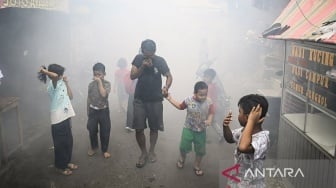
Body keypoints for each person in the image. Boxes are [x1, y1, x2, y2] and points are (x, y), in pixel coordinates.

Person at [130, 39, 173, 168]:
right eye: (146, 53)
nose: (149, 56)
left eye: (151, 53)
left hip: (155, 100)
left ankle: (152, 151)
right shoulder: (138, 59)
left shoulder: (160, 61)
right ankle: (143, 153)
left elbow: (169, 76)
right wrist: (143, 66)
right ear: (142, 51)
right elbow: (132, 76)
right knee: (139, 128)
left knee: (154, 128)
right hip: (140, 100)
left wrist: (166, 87)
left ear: (155, 51)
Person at [166, 81, 214, 176]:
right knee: (183, 147)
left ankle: (197, 165)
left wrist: (209, 120)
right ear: (194, 93)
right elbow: (180, 106)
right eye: (200, 95)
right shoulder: (188, 100)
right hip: (188, 128)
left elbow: (212, 112)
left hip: (201, 130)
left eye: (205, 94)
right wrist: (170, 99)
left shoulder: (209, 101)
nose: (203, 97)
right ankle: (182, 159)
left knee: (200, 150)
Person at [222, 94, 270, 187]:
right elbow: (230, 138)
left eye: (240, 112)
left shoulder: (262, 138)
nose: (238, 115)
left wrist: (251, 121)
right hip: (236, 181)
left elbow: (243, 147)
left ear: (248, 117)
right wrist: (225, 126)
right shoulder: (243, 130)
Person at [38, 64, 77, 176]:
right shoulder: (52, 84)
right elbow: (54, 76)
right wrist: (44, 71)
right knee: (60, 145)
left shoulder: (61, 82)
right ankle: (60, 166)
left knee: (68, 142)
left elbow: (71, 96)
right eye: (61, 74)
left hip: (66, 117)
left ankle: (67, 162)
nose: (62, 76)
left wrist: (67, 83)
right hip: (57, 119)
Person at [87, 62, 112, 159]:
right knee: (92, 129)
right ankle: (94, 147)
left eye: (99, 74)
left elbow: (103, 94)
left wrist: (99, 82)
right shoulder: (90, 85)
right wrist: (88, 111)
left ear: (104, 74)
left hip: (104, 111)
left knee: (105, 131)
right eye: (95, 74)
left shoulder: (107, 84)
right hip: (93, 110)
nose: (97, 77)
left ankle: (105, 150)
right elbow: (88, 98)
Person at [203, 68, 227, 142]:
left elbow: (208, 98)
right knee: (213, 122)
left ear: (211, 78)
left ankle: (205, 137)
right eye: (204, 76)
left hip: (209, 107)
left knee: (206, 122)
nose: (204, 78)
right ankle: (221, 134)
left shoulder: (209, 87)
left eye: (207, 77)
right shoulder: (212, 85)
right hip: (213, 107)